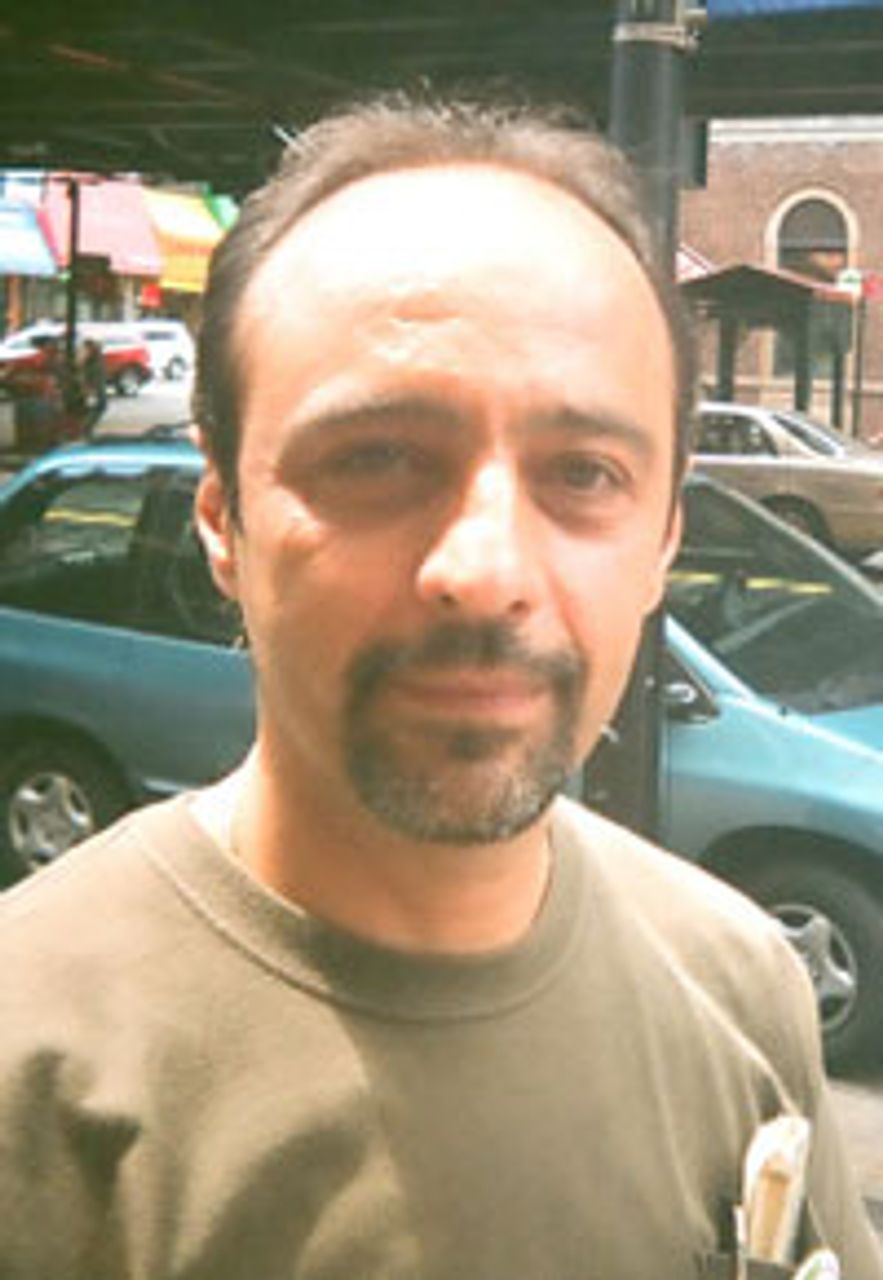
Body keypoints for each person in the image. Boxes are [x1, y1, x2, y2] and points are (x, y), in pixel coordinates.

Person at [1, 98, 881, 1280]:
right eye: (375, 458)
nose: (486, 570)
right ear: (223, 519)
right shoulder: (30, 1068)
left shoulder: (741, 982)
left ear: (663, 539)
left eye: (583, 473)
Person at [78, 336, 108, 436]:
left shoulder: (95, 357)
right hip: (94, 387)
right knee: (97, 407)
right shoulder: (89, 358)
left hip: (96, 386)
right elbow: (83, 371)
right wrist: (88, 389)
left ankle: (86, 429)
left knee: (97, 407)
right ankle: (85, 429)